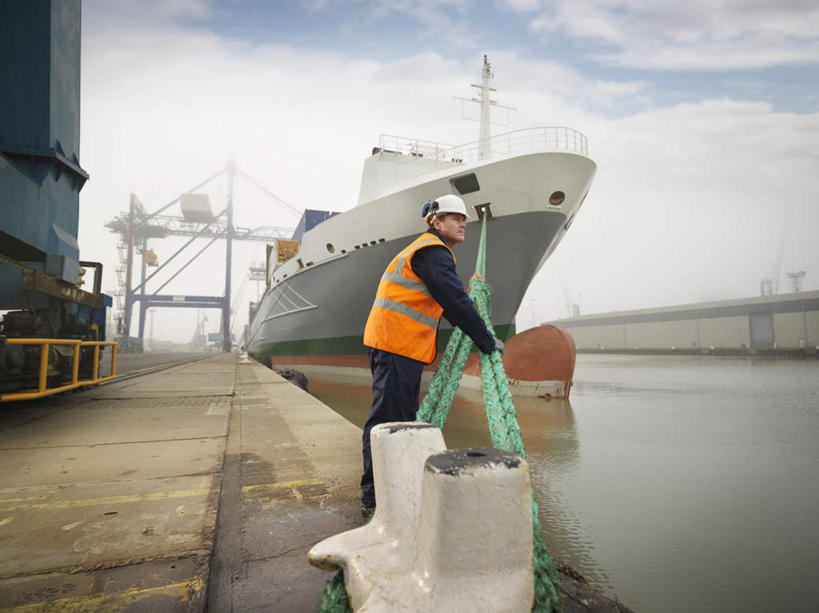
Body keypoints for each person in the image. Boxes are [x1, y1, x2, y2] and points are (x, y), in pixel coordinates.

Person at [359, 194, 503, 517]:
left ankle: (392, 488)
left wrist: (475, 330)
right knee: (387, 420)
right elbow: (454, 300)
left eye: (464, 219)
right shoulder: (432, 251)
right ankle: (373, 497)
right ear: (437, 221)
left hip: (398, 345)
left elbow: (447, 302)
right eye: (456, 218)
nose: (463, 224)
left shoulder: (428, 251)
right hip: (395, 344)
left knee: (400, 418)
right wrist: (486, 340)